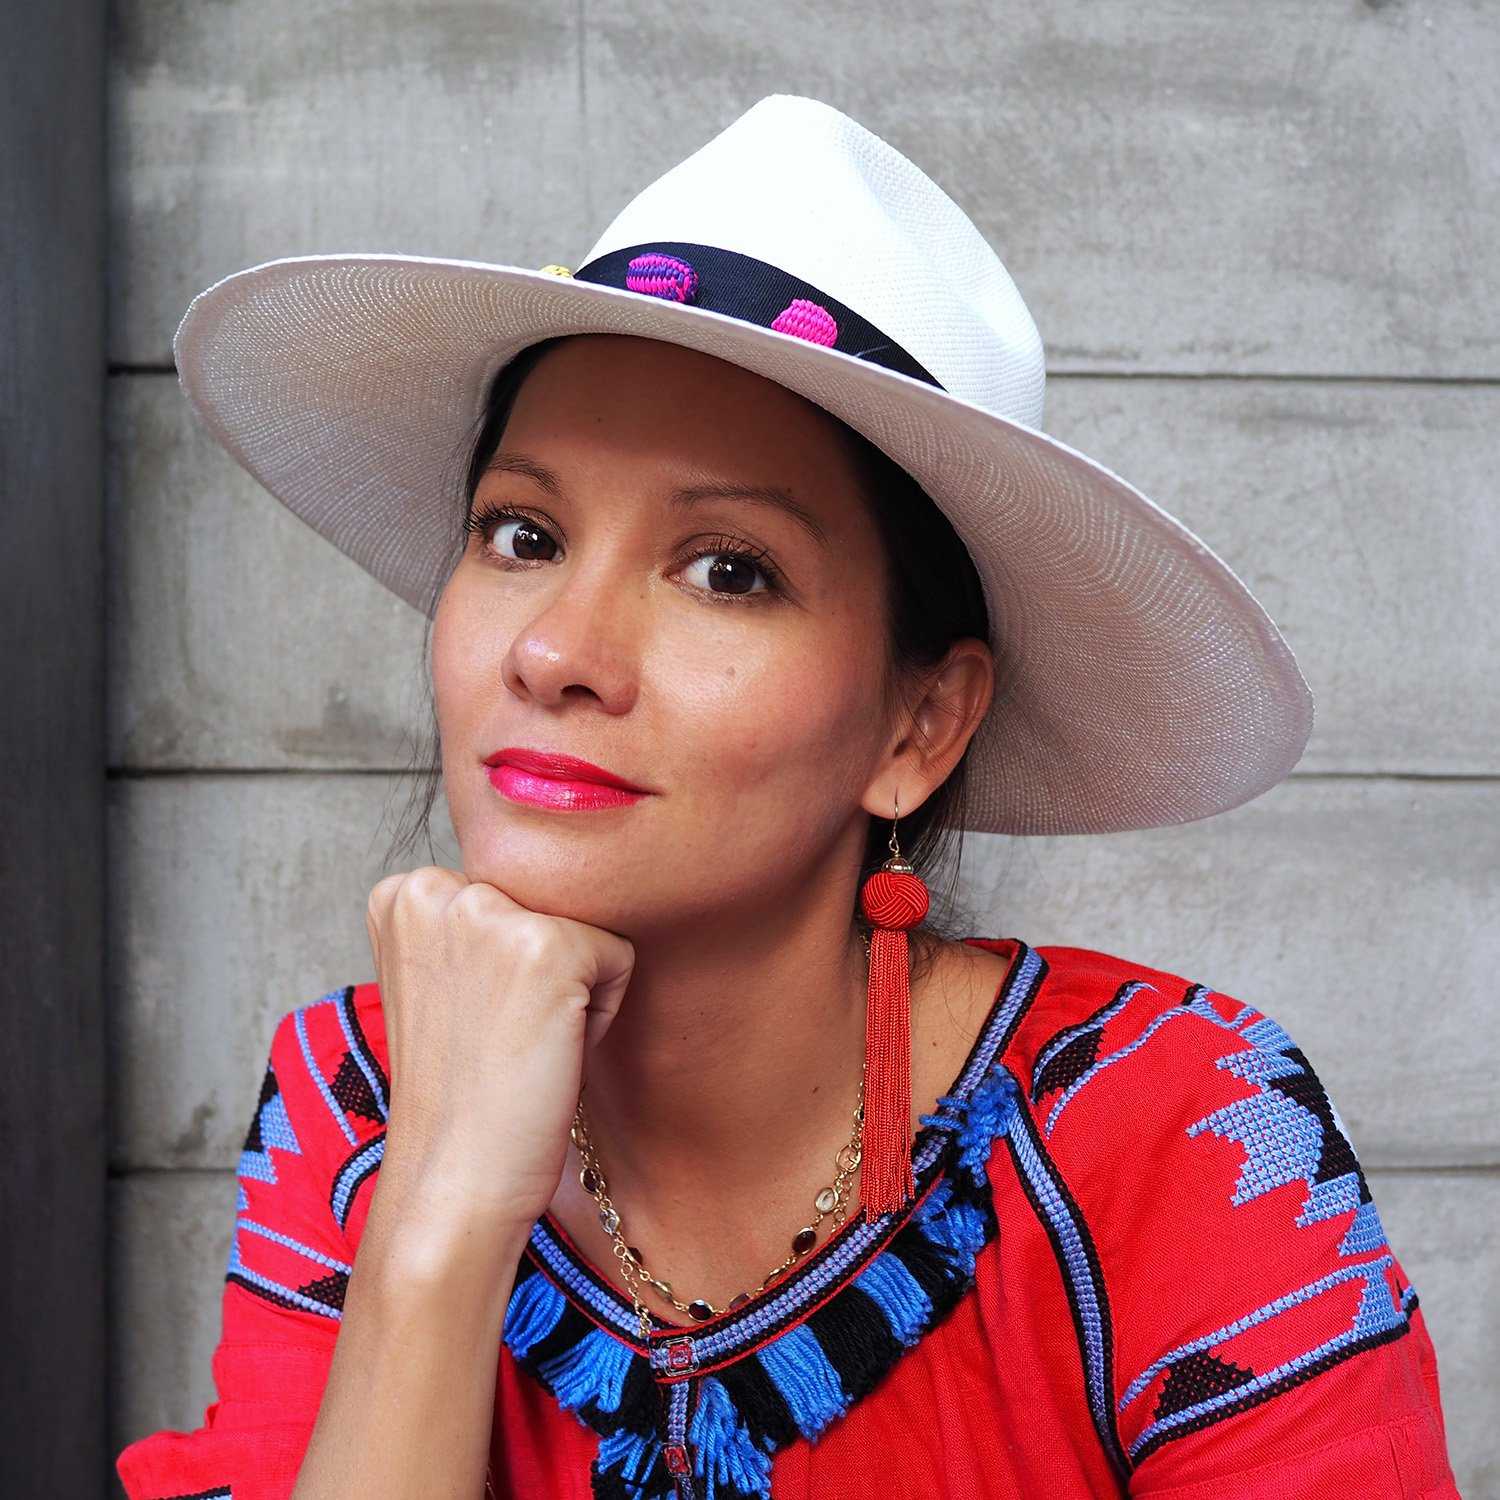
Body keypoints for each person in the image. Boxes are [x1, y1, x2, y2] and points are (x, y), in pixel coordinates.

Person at [115, 96, 1460, 1499]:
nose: (557, 652)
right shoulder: (361, 1101)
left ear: (918, 722)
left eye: (727, 571)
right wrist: (441, 1217)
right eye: (523, 535)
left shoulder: (1180, 1132)